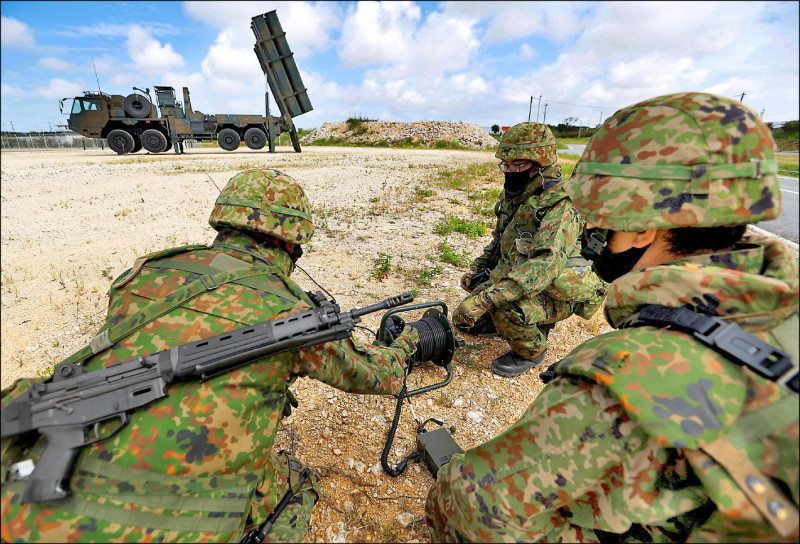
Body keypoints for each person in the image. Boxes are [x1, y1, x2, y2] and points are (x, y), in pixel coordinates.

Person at [426, 92, 799, 541]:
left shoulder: (629, 370)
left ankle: (531, 342)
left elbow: (468, 502)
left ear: (643, 227)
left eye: (603, 220)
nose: (593, 232)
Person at [0, 168, 420, 543]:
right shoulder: (293, 313)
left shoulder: (144, 273)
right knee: (295, 481)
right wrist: (409, 342)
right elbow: (379, 376)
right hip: (153, 525)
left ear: (223, 221)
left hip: (22, 515)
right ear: (293, 243)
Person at [452, 121, 606, 377]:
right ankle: (531, 317)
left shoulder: (560, 205)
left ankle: (533, 351)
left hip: (558, 286)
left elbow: (545, 266)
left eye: (518, 166)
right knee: (468, 321)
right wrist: (478, 270)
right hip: (527, 277)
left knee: (505, 310)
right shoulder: (517, 196)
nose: (510, 171)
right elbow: (500, 239)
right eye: (506, 165)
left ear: (541, 164)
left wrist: (488, 298)